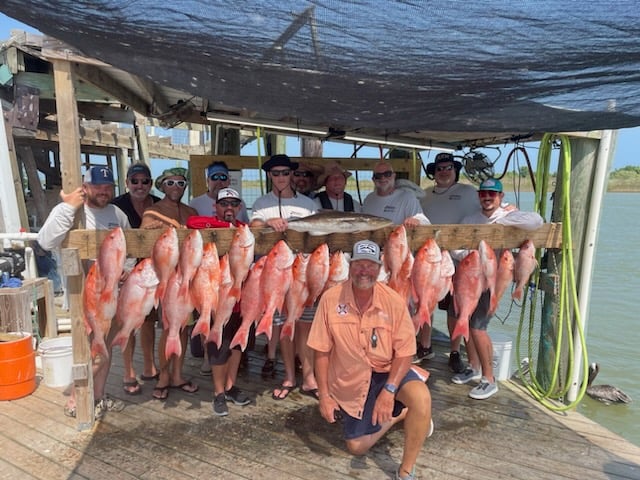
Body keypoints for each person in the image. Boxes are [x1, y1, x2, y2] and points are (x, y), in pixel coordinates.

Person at [308, 240, 433, 480]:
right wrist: (324, 395)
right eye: (359, 265)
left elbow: (406, 351)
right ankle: (401, 414)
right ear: (350, 266)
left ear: (380, 268)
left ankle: (406, 470)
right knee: (356, 447)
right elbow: (321, 351)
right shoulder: (330, 299)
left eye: (370, 265)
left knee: (422, 398)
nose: (364, 271)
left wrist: (389, 389)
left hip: (390, 370)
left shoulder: (394, 300)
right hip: (352, 378)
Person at [37, 166, 131, 419]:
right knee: (90, 350)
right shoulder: (69, 210)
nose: (104, 191)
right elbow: (45, 241)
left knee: (104, 347)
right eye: (98, 185)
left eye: (108, 186)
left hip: (110, 297)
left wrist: (127, 270)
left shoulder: (117, 214)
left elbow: (129, 248)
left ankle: (98, 395)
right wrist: (68, 207)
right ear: (85, 187)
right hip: (83, 295)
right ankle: (76, 398)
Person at [451, 178, 543, 400]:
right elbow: (454, 247)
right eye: (483, 194)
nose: (487, 197)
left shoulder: (507, 216)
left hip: (492, 282)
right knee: (464, 322)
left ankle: (489, 379)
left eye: (493, 194)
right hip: (469, 279)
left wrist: (512, 213)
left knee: (478, 328)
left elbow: (537, 221)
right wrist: (467, 255)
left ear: (501, 197)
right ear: (478, 196)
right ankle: (473, 367)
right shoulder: (470, 219)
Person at [249, 154, 317, 399]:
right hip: (276, 275)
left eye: (285, 173)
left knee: (305, 326)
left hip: (303, 272)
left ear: (292, 175)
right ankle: (289, 375)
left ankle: (309, 377)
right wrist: (268, 221)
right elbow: (253, 225)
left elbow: (317, 231)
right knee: (284, 326)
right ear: (269, 175)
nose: (280, 177)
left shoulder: (308, 204)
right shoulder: (261, 202)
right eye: (275, 173)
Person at [186, 188, 252, 416]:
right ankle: (218, 392)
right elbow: (192, 221)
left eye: (234, 203)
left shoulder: (245, 230)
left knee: (235, 345)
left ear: (240, 207)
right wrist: (226, 228)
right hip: (215, 297)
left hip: (240, 300)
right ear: (216, 207)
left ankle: (231, 386)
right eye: (224, 204)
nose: (229, 208)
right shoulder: (208, 226)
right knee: (217, 347)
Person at [415, 152, 481, 371]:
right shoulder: (424, 195)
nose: (444, 172)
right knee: (426, 302)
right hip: (431, 259)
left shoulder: (468, 192)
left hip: (460, 260)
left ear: (456, 171)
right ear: (433, 173)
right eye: (440, 168)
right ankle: (425, 345)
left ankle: (455, 350)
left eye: (449, 168)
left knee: (456, 309)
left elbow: (487, 210)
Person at [140, 167, 200, 400]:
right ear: (162, 185)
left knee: (183, 327)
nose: (176, 187)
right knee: (168, 328)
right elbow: (144, 234)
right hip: (166, 281)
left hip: (187, 280)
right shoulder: (152, 212)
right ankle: (164, 376)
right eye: (171, 183)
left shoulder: (191, 211)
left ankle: (178, 374)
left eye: (181, 183)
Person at [112, 162, 161, 394]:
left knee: (149, 321)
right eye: (135, 181)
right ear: (127, 183)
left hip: (151, 273)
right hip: (127, 273)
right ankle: (128, 371)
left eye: (145, 181)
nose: (140, 185)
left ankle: (150, 366)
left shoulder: (159, 204)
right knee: (128, 322)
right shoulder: (116, 207)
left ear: (150, 184)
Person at [362, 161, 430, 227]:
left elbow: (425, 222)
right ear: (373, 179)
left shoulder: (408, 197)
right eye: (378, 175)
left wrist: (417, 221)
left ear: (394, 176)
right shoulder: (368, 199)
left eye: (387, 174)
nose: (383, 178)